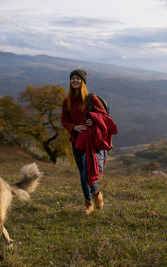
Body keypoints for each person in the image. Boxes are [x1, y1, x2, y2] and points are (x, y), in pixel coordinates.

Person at [61, 69, 117, 215]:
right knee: (82, 175)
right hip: (76, 141)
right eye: (73, 78)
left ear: (83, 81)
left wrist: (93, 121)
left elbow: (105, 117)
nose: (75, 80)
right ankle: (88, 204)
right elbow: (64, 121)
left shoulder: (91, 99)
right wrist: (74, 127)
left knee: (87, 174)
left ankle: (97, 193)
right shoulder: (66, 101)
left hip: (91, 141)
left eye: (78, 78)